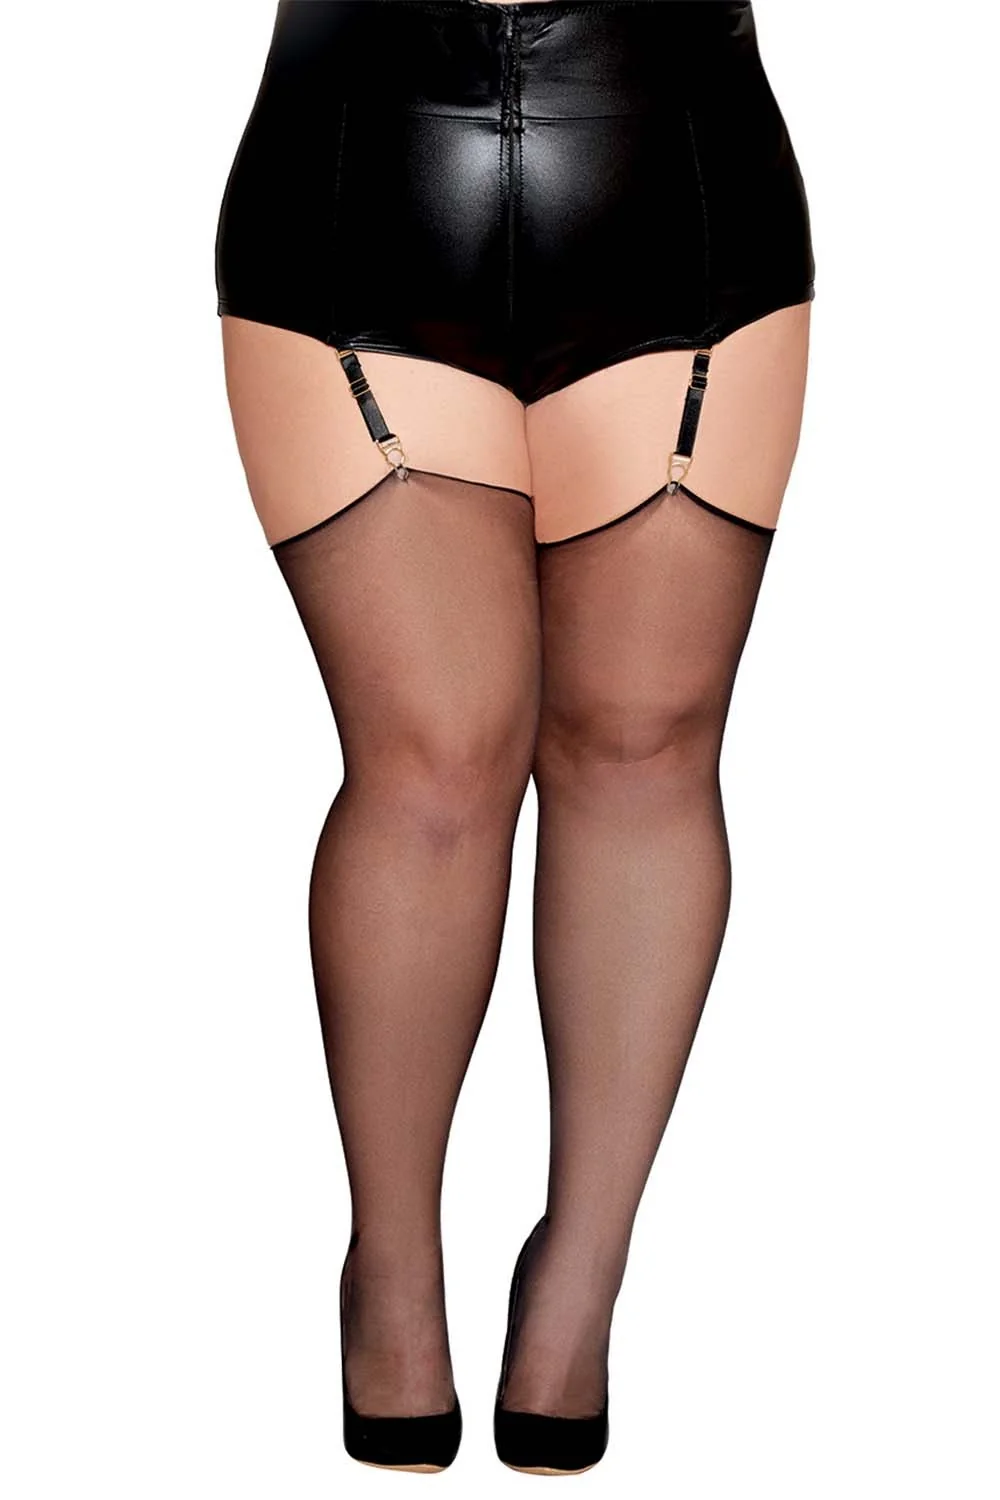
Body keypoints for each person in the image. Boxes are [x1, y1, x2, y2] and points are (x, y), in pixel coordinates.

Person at [215, 0, 815, 1475]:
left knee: (645, 740)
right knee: (434, 757)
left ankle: (581, 1279)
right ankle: (394, 1276)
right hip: (363, 156)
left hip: (678, 153)